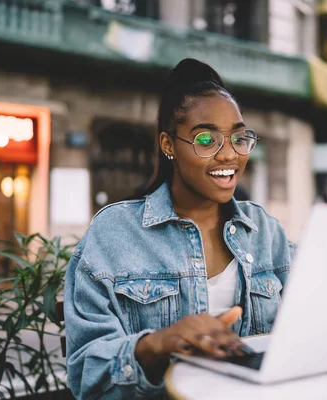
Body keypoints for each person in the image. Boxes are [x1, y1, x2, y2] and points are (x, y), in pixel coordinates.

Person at [64, 58, 295, 399]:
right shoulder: (113, 233)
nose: (229, 154)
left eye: (239, 137)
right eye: (206, 139)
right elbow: (88, 374)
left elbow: (307, 332)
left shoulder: (266, 231)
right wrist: (156, 345)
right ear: (168, 144)